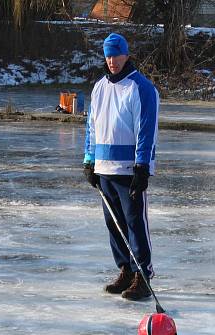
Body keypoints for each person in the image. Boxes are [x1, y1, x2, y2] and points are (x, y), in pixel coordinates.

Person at [83, 33, 159, 301]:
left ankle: (143, 275)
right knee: (113, 224)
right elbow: (91, 127)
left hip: (129, 169)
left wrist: (142, 166)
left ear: (126, 55)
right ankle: (125, 269)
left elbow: (146, 130)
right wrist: (89, 160)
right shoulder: (99, 87)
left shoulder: (140, 87)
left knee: (135, 223)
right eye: (108, 55)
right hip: (104, 168)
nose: (112, 60)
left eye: (116, 54)